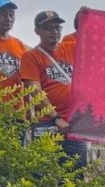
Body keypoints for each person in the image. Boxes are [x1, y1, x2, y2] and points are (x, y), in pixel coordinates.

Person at [20, 10, 87, 169]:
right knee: (46, 171)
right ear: (37, 31)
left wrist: (82, 15)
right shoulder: (32, 56)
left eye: (57, 28)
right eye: (48, 28)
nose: (54, 32)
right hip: (48, 124)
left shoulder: (71, 48)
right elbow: (34, 89)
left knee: (75, 172)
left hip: (74, 124)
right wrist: (55, 117)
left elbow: (85, 31)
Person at [0, 0, 29, 99]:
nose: (8, 18)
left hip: (17, 111)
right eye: (3, 14)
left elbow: (26, 81)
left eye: (11, 14)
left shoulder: (20, 45)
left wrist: (29, 111)